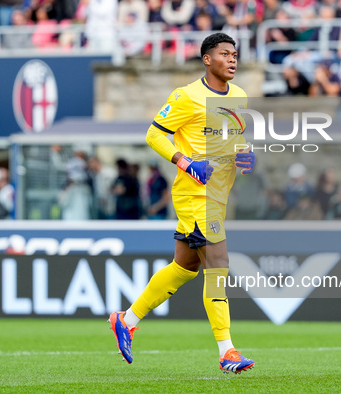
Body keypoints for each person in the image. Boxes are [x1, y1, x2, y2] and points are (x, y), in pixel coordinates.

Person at [108, 33, 255, 374]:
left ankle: (125, 320)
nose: (232, 59)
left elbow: (236, 138)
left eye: (235, 54)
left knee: (185, 266)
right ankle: (227, 350)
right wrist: (185, 161)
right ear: (207, 59)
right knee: (218, 261)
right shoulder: (187, 96)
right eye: (224, 54)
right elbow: (154, 134)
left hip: (217, 195)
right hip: (194, 194)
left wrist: (245, 155)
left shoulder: (240, 96)